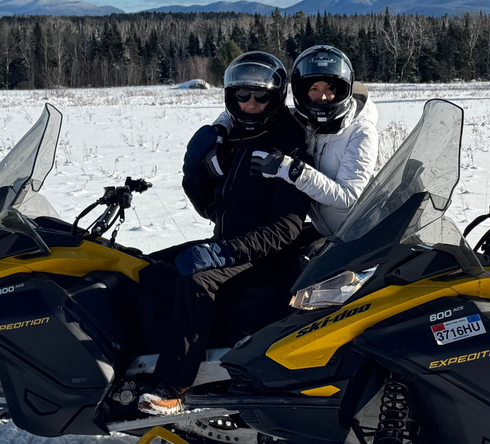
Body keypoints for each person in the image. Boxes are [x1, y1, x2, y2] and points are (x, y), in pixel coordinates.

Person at [140, 51, 312, 415]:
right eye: (242, 96)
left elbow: (289, 225)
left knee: (198, 282)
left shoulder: (287, 141)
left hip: (268, 254)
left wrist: (226, 253)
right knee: (146, 267)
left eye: (260, 96)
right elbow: (215, 207)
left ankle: (173, 386)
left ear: (275, 97)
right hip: (229, 242)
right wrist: (194, 172)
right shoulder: (235, 136)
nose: (250, 104)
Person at [249, 44, 379, 239]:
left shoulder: (361, 131)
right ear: (302, 92)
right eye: (314, 89)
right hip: (328, 234)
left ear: (343, 90)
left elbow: (349, 196)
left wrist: (292, 170)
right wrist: (220, 128)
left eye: (329, 88)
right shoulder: (305, 123)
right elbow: (257, 114)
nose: (323, 97)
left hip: (362, 236)